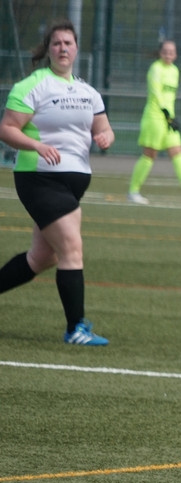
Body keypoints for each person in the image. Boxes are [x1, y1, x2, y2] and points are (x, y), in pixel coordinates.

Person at [0, 19, 115, 346]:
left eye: (68, 43)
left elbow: (103, 128)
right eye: (57, 43)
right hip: (39, 179)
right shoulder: (33, 86)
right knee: (71, 250)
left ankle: (76, 326)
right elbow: (7, 128)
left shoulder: (86, 91)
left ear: (76, 49)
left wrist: (105, 136)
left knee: (42, 258)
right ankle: (76, 328)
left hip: (71, 185)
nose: (63, 48)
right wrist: (36, 145)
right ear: (48, 49)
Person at [127, 40, 181, 205]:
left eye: (172, 52)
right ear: (160, 52)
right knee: (150, 154)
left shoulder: (175, 71)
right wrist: (167, 115)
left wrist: (171, 117)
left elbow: (170, 97)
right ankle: (133, 192)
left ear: (176, 54)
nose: (168, 54)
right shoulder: (155, 69)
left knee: (178, 153)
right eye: (165, 51)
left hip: (168, 119)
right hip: (155, 117)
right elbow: (157, 94)